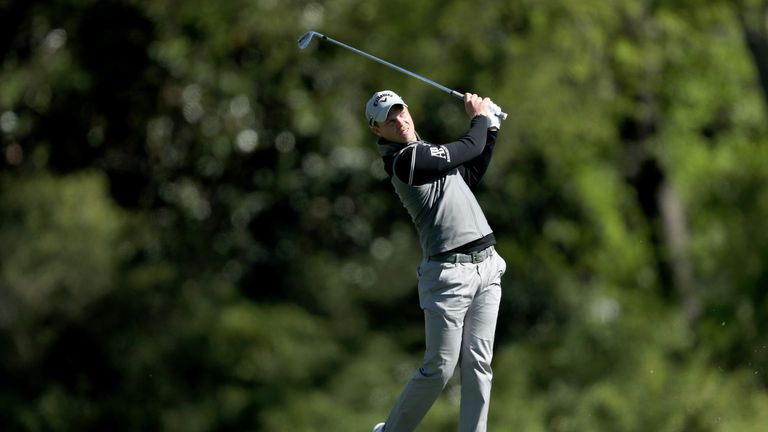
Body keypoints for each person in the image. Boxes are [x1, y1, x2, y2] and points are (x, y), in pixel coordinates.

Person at [367, 90, 507, 432]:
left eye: (401, 113)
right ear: (377, 130)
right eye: (389, 120)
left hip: (487, 265)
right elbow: (466, 148)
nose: (399, 121)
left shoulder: (427, 152)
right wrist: (479, 118)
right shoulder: (405, 161)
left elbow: (468, 177)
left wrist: (490, 133)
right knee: (440, 367)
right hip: (449, 277)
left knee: (478, 364)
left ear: (408, 110)